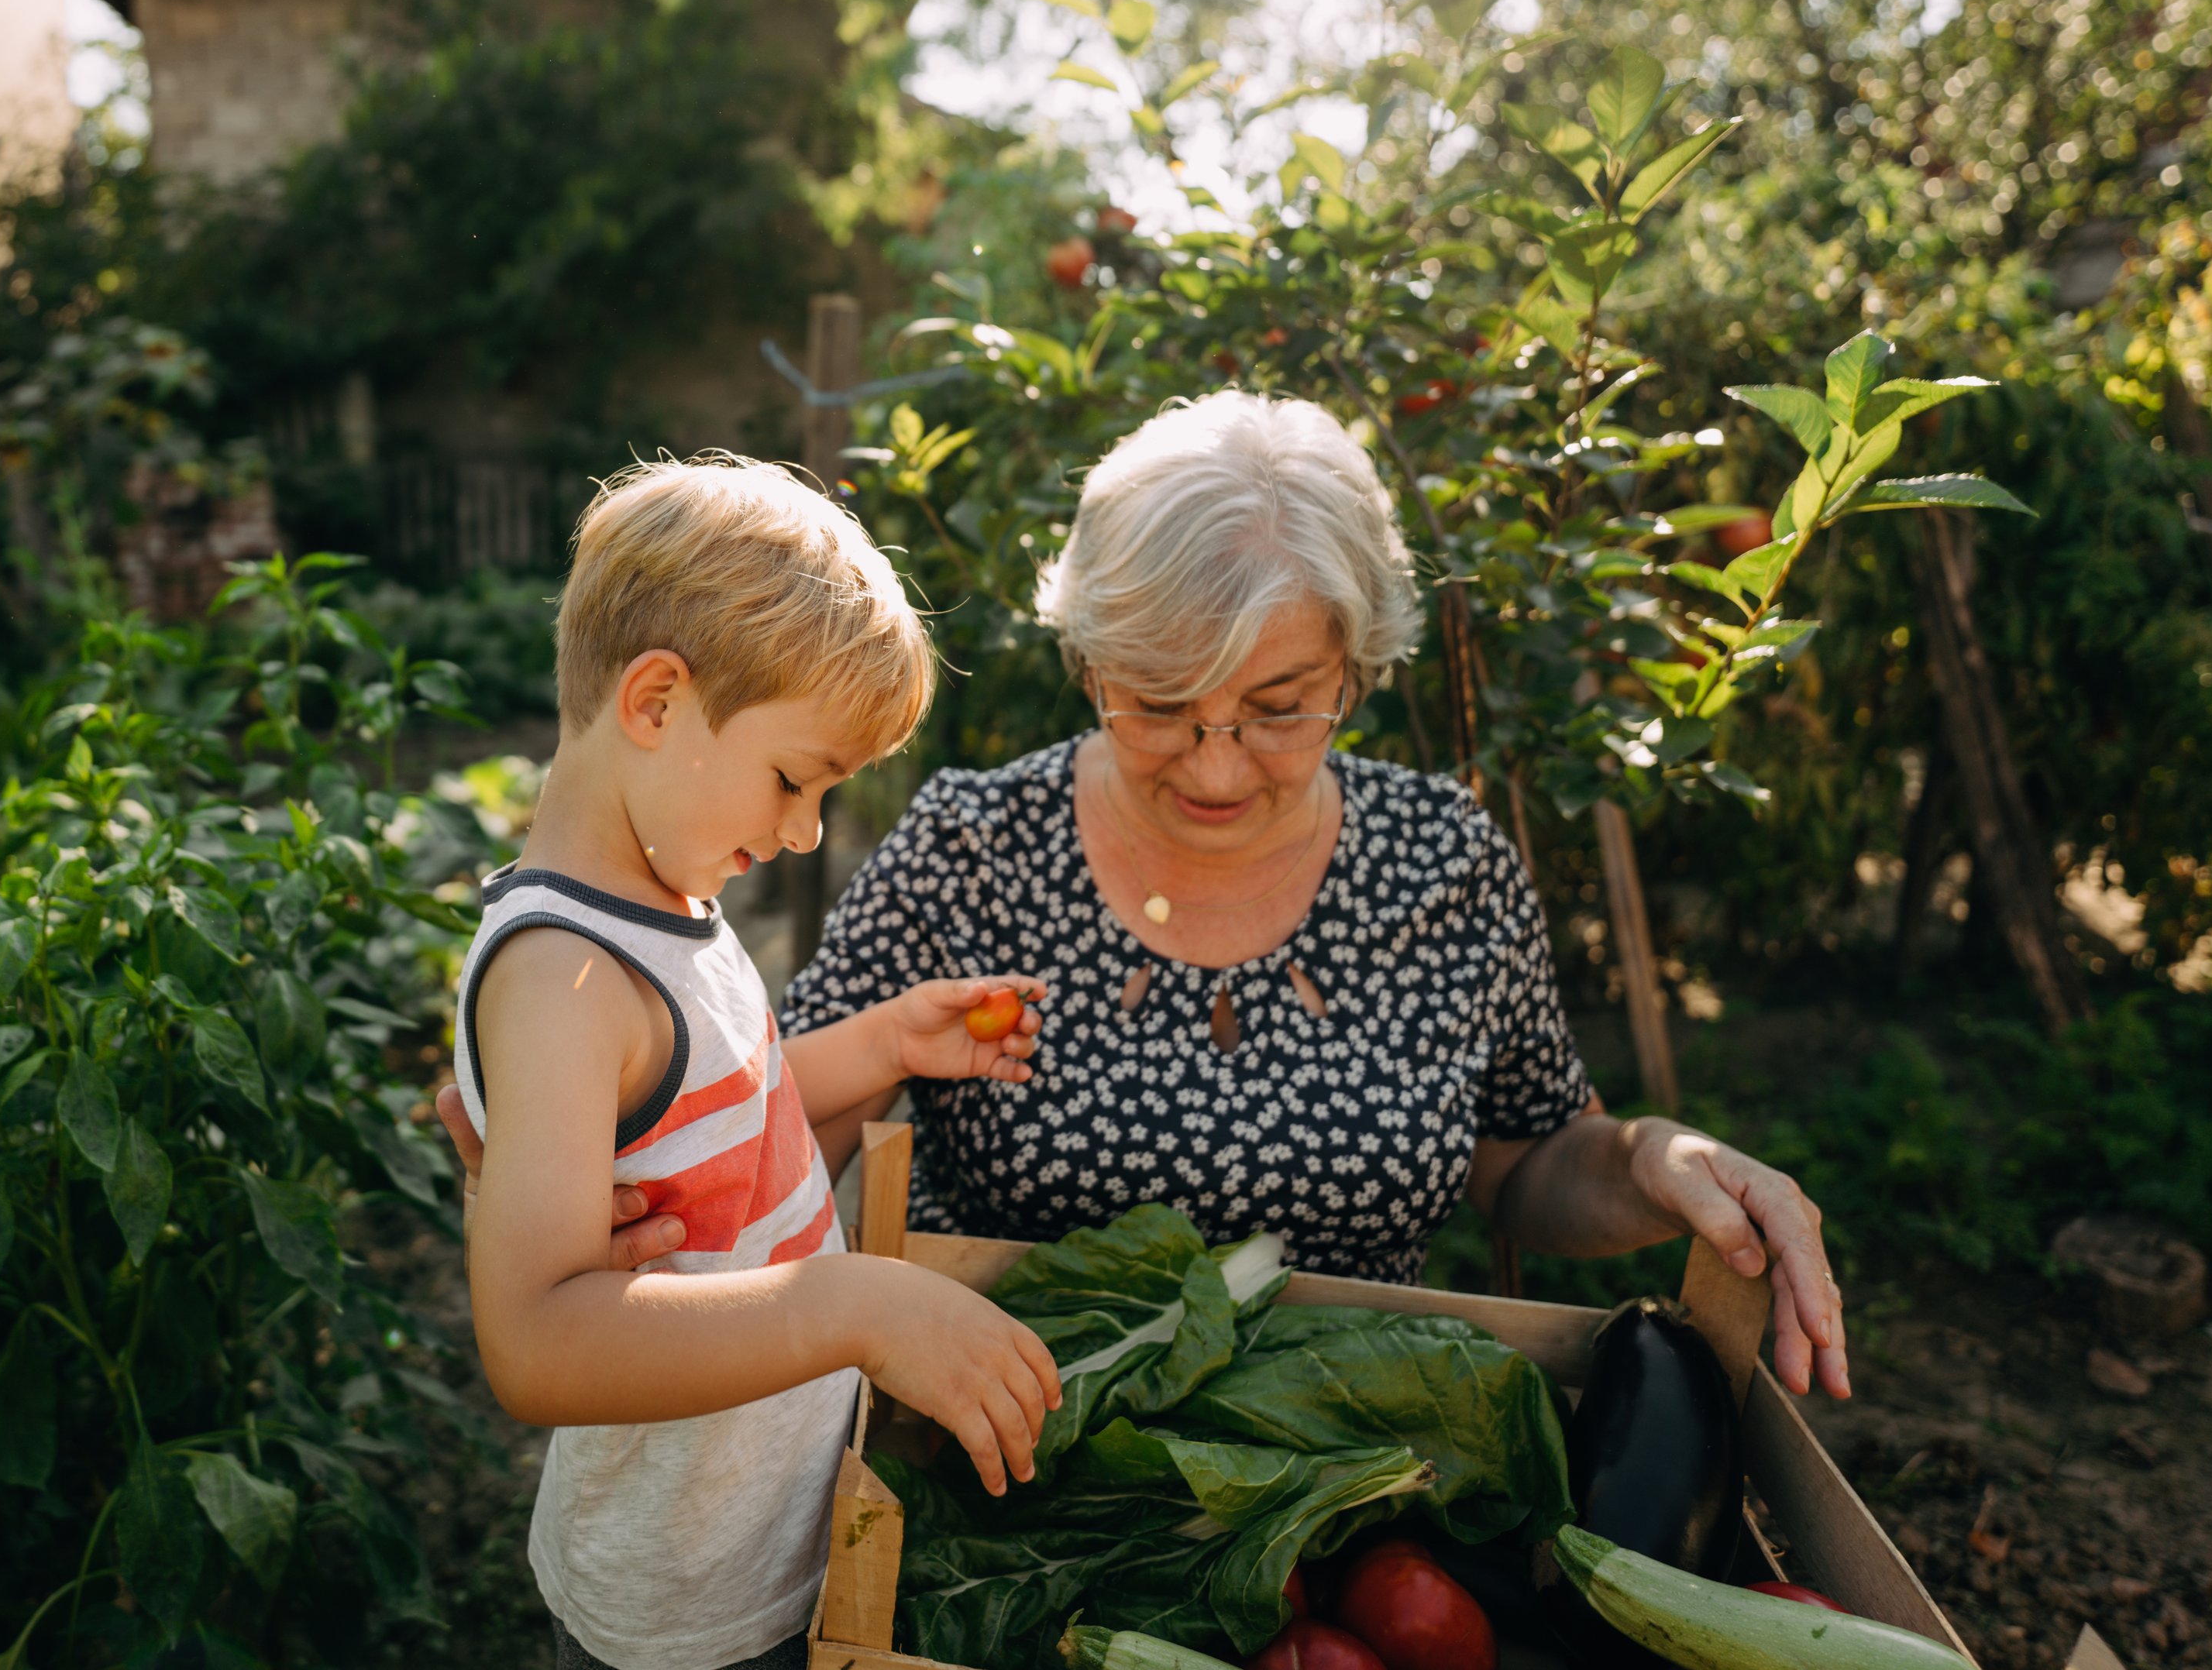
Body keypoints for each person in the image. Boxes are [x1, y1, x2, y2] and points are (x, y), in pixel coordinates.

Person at [776, 389, 1853, 1402]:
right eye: (1155, 703)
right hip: (1016, 1451)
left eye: (1280, 709)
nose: (1216, 767)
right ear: (1088, 660)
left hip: (1345, 1456)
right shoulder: (974, 849)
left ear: (1354, 671)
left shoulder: (1441, 862)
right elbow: (776, 1130)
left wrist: (1651, 1160)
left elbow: (1525, 1162)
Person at [452, 455, 1063, 1670]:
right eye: (795, 778)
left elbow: (727, 1108)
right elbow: (533, 1341)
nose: (803, 831)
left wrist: (887, 1043)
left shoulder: (660, 894)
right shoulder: (563, 984)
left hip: (767, 1535)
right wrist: (848, 1304)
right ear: (656, 702)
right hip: (684, 1610)